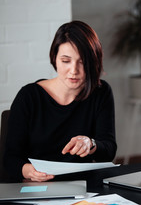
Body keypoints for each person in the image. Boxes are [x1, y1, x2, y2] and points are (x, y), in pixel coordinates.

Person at [4, 21, 117, 182]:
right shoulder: (29, 96)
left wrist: (90, 143)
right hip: (37, 187)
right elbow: (10, 159)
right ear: (54, 58)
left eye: (82, 62)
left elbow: (109, 150)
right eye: (66, 61)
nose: (74, 70)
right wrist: (29, 171)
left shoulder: (101, 92)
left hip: (84, 187)